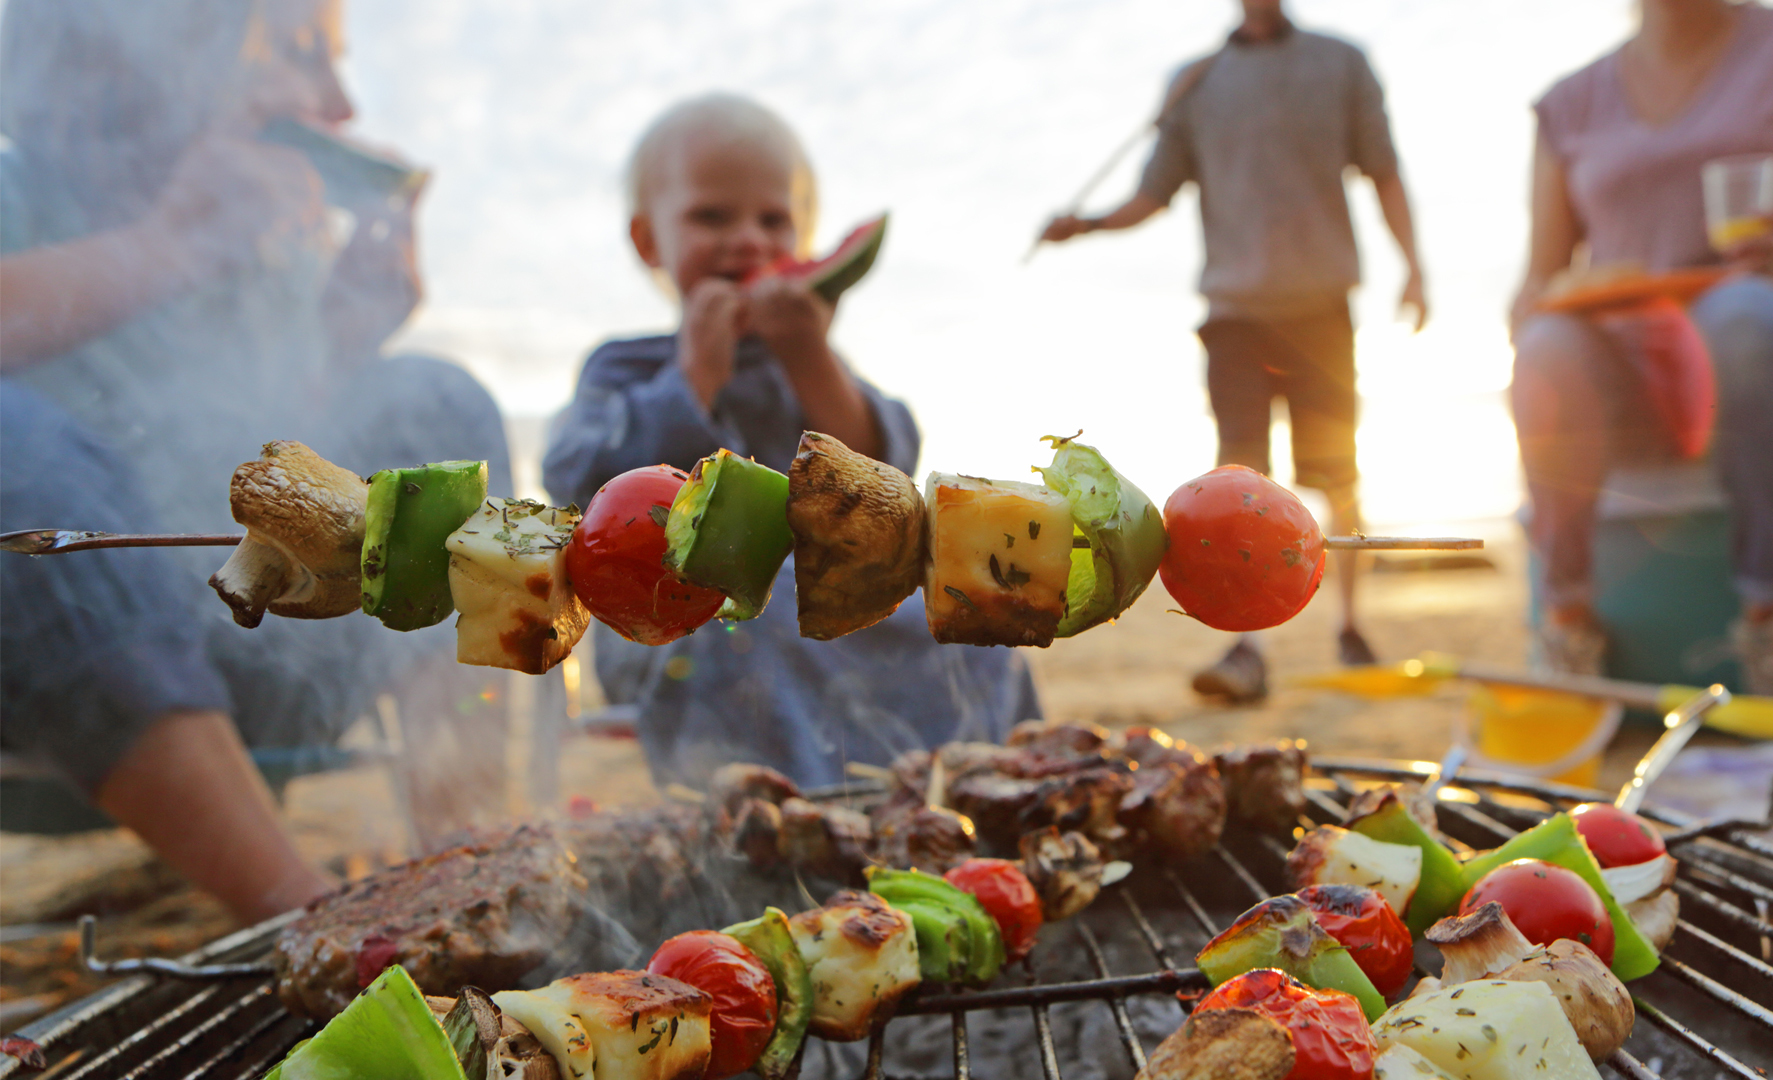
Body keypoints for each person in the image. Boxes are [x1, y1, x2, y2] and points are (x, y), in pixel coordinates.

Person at [0, 0, 512, 919]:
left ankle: (469, 875)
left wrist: (342, 341)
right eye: (298, 53)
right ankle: (304, 917)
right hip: (47, 693)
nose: (341, 104)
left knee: (434, 401)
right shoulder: (22, 189)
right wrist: (166, 247)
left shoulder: (271, 255)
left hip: (253, 661)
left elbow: (267, 480)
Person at [544, 94, 1041, 789]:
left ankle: (974, 795)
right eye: (711, 216)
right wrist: (693, 379)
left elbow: (889, 479)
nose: (748, 239)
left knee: (973, 615)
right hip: (681, 624)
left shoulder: (809, 366)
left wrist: (812, 358)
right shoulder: (625, 366)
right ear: (649, 240)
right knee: (754, 615)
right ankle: (793, 821)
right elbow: (576, 475)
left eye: (773, 220)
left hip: (840, 617)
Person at [1038, 0, 1428, 701]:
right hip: (1235, 314)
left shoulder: (1341, 63)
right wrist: (1089, 224)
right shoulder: (1193, 81)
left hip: (1320, 307)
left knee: (1339, 473)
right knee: (1234, 482)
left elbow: (1385, 169)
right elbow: (1153, 194)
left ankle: (1349, 624)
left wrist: (1415, 266)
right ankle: (1247, 651)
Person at [1509, 0, 1773, 700]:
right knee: (1548, 345)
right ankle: (1566, 623)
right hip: (1633, 372)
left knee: (1744, 316)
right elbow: (1539, 280)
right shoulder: (1570, 104)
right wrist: (1543, 311)